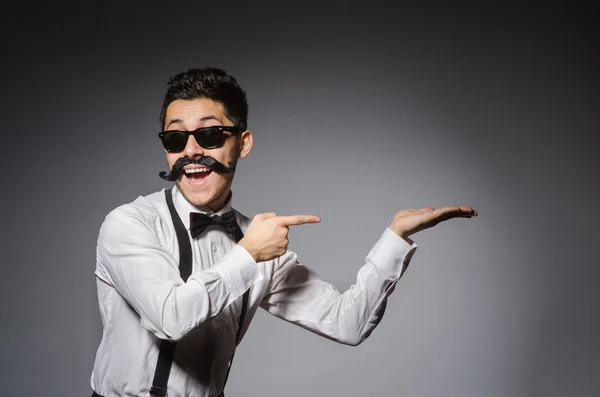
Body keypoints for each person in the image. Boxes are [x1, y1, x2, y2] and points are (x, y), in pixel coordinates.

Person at [89, 67, 477, 397]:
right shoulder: (129, 224)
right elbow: (168, 318)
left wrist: (395, 238)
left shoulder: (257, 240)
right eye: (176, 138)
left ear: (242, 144)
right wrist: (248, 255)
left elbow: (348, 322)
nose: (191, 150)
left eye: (209, 135)